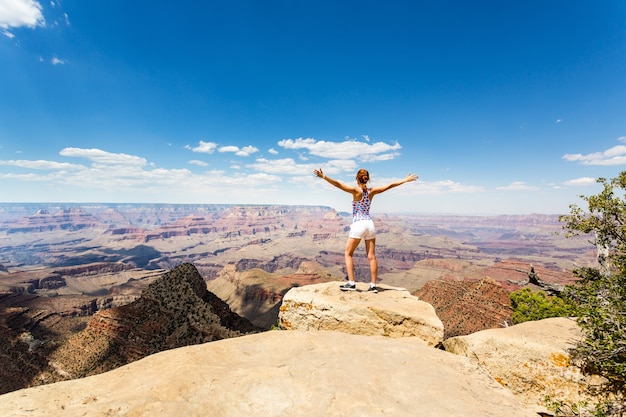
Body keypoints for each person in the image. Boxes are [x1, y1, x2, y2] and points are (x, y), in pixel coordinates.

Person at [313, 168, 418, 292]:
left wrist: (324, 176)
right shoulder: (372, 191)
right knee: (371, 256)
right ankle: (373, 285)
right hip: (370, 224)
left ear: (357, 178)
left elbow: (338, 184)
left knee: (348, 253)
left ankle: (351, 283)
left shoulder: (355, 191)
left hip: (359, 224)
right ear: (367, 179)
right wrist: (405, 180)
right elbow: (390, 185)